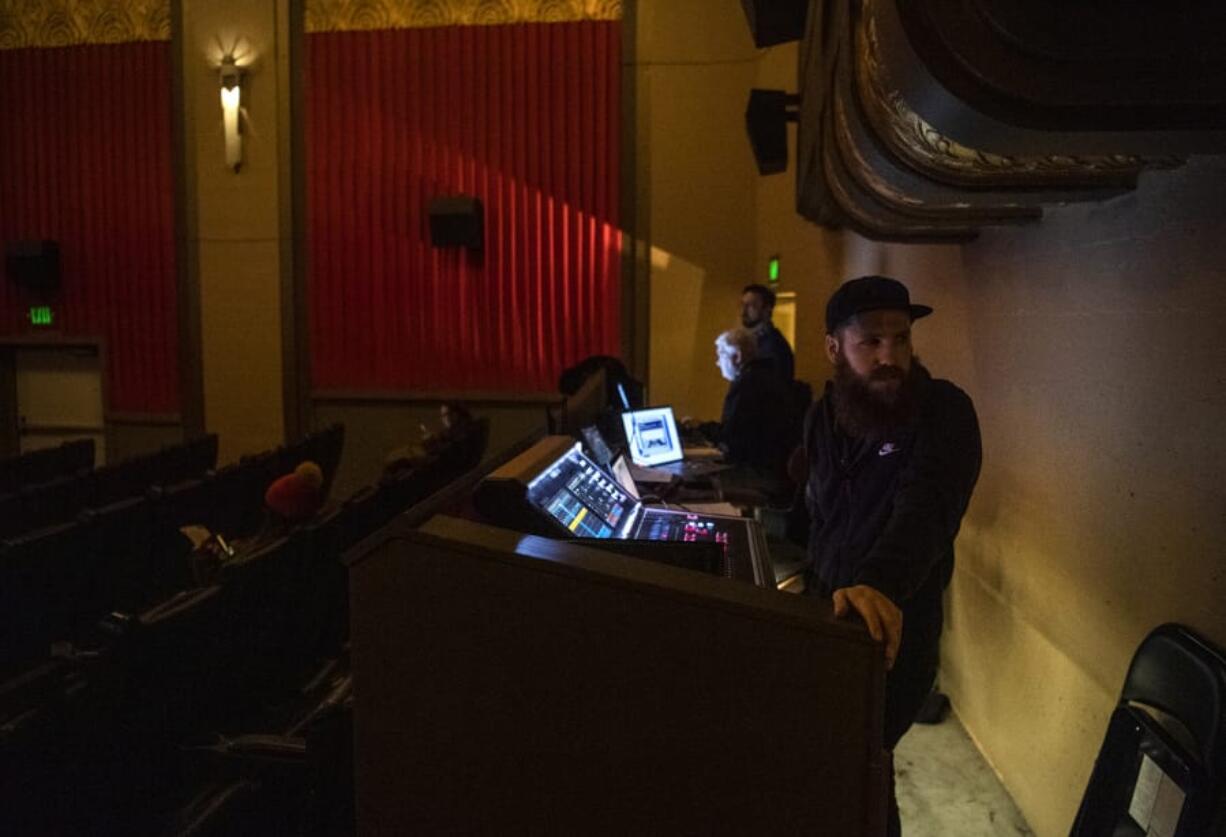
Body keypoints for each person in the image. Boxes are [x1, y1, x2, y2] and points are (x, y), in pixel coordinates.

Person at [801, 275, 982, 837]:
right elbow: (821, 514)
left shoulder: (944, 411)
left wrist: (878, 582)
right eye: (871, 342)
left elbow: (927, 508)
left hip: (894, 633)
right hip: (826, 616)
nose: (890, 356)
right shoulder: (823, 415)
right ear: (834, 348)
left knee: (860, 767)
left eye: (900, 339)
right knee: (849, 773)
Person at [698, 328, 796, 475]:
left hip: (757, 471)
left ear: (737, 356)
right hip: (775, 469)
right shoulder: (768, 374)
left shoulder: (747, 384)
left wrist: (699, 428)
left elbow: (731, 438)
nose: (718, 363)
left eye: (721, 355)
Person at [741, 283, 795, 381]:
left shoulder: (774, 345)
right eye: (743, 305)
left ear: (767, 309)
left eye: (751, 306)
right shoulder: (751, 342)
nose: (743, 311)